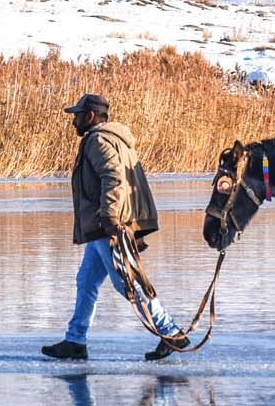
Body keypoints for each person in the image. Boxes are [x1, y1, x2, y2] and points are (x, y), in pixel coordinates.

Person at [41, 93, 190, 362]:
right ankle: (75, 341)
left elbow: (114, 177)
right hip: (107, 225)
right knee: (86, 281)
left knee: (127, 284)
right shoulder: (111, 139)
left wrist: (110, 219)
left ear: (89, 116)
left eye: (77, 115)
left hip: (106, 226)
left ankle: (171, 332)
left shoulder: (98, 140)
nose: (73, 121)